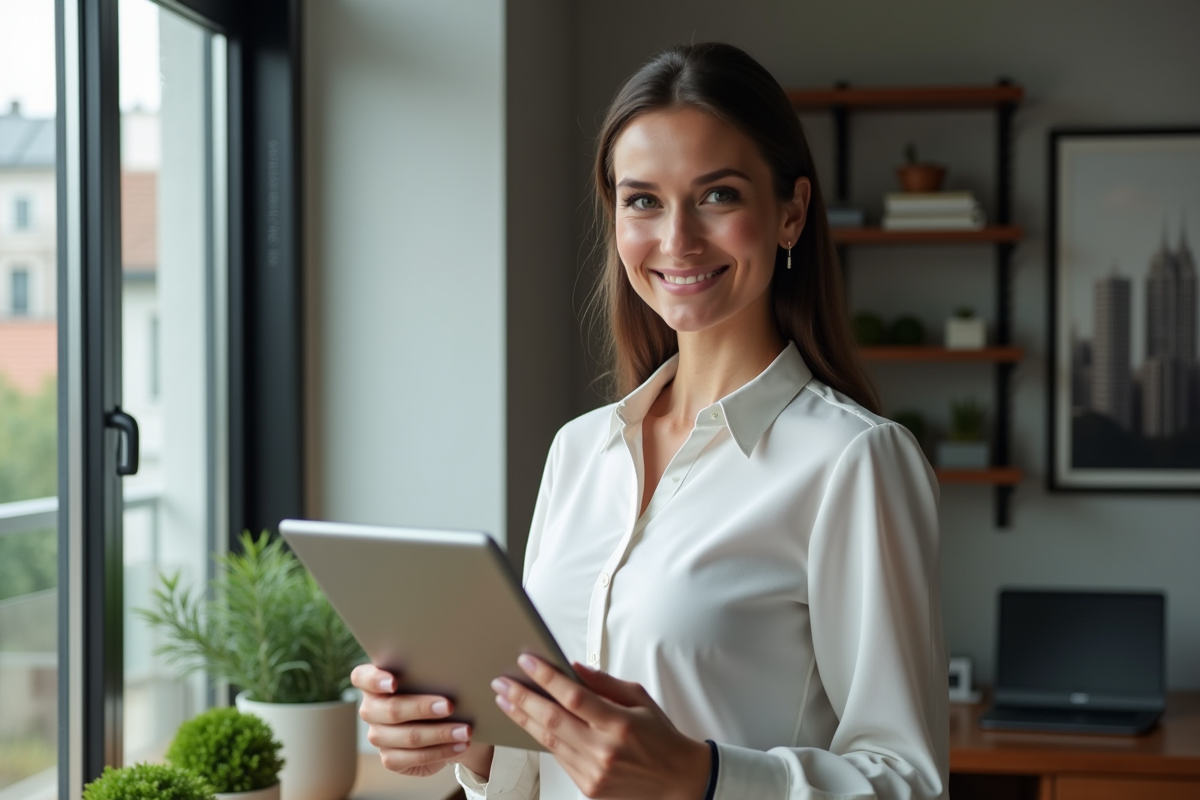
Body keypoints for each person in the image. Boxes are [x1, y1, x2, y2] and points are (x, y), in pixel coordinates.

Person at [352, 42, 948, 800]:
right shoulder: (579, 452)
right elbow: (543, 765)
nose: (677, 240)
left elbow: (909, 782)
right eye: (642, 201)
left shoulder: (853, 461)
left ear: (791, 212)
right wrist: (467, 743)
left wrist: (704, 776)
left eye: (718, 195)